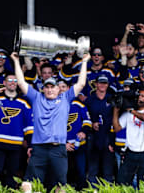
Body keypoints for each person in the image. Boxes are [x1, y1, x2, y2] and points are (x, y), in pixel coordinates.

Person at [10, 51, 90, 187]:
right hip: (39, 148)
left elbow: (81, 84)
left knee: (61, 185)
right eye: (47, 87)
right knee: (28, 184)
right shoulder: (37, 98)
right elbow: (22, 83)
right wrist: (16, 61)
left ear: (59, 89)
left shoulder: (65, 98)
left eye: (52, 87)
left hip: (58, 148)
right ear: (43, 89)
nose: (49, 89)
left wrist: (85, 61)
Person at [0, 73, 33, 189]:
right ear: (4, 83)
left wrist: (30, 145)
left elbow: (29, 126)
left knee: (12, 174)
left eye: (15, 80)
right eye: (9, 80)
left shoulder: (24, 103)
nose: (12, 82)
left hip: (16, 145)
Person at [112, 85, 144, 185]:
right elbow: (117, 128)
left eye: (143, 96)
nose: (139, 98)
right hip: (130, 153)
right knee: (122, 182)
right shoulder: (128, 113)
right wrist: (116, 110)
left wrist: (131, 110)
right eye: (139, 95)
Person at [58, 79, 91, 190]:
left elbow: (87, 120)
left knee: (81, 173)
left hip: (79, 145)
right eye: (59, 87)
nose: (61, 89)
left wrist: (83, 131)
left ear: (68, 89)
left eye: (63, 87)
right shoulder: (52, 105)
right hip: (61, 146)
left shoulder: (78, 103)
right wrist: (63, 143)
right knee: (63, 174)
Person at [85, 74, 115, 184]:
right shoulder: (90, 99)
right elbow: (84, 116)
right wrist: (92, 124)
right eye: (100, 83)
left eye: (105, 83)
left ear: (108, 85)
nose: (102, 85)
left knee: (108, 167)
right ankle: (92, 188)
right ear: (96, 84)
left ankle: (108, 189)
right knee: (93, 166)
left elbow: (116, 116)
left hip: (108, 135)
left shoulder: (112, 98)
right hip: (93, 135)